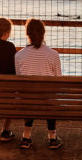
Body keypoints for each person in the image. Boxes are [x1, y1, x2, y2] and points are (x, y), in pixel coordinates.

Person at [14, 18, 63, 150]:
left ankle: (26, 137)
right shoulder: (53, 54)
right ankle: (52, 138)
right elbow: (58, 79)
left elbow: (19, 78)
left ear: (27, 34)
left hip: (27, 100)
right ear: (43, 33)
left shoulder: (19, 55)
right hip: (47, 101)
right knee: (49, 95)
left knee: (29, 94)